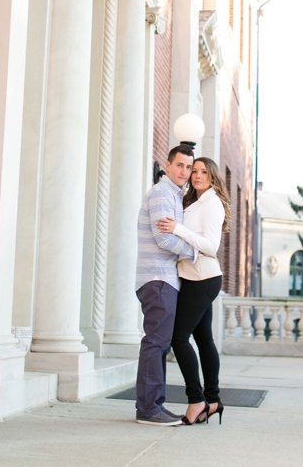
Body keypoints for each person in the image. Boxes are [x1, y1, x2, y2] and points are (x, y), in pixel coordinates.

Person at [156, 157, 229, 426]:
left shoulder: (213, 203)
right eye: (194, 171)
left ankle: (196, 399)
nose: (197, 176)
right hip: (196, 277)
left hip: (203, 278)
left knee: (178, 338)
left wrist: (177, 228)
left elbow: (210, 246)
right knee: (204, 341)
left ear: (213, 176)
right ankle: (213, 400)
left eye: (203, 172)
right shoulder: (194, 201)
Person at [134, 145, 202, 426]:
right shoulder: (163, 193)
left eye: (189, 167)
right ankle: (149, 409)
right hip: (158, 278)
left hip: (163, 278)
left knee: (159, 344)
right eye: (180, 166)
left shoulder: (173, 194)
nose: (185, 172)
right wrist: (194, 251)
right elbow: (164, 239)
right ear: (168, 165)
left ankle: (153, 406)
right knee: (156, 343)